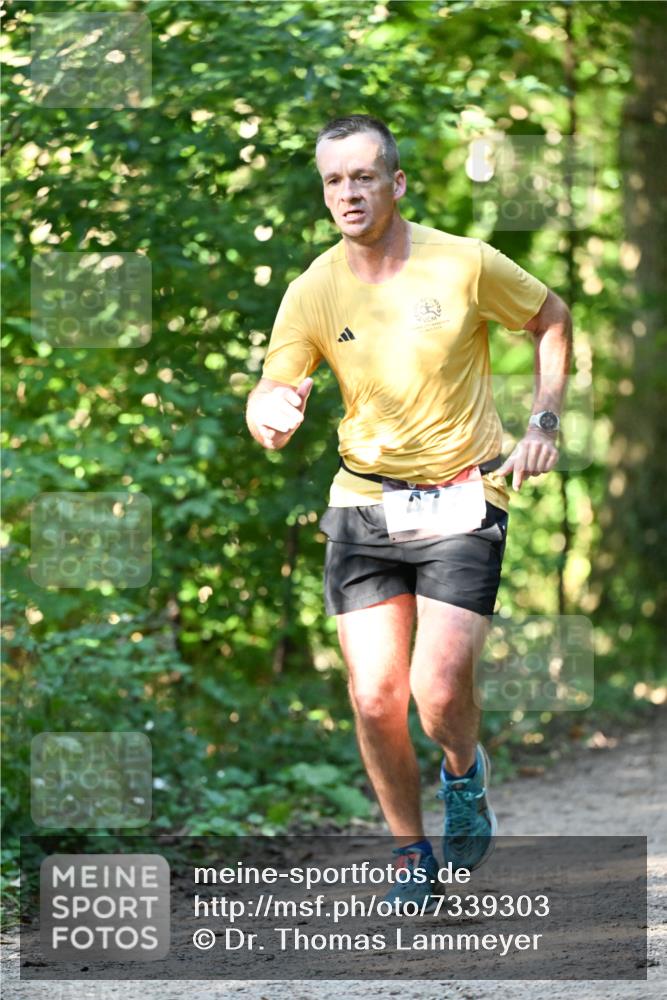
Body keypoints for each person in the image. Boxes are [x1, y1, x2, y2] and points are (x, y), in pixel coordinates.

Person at [246, 114, 572, 908]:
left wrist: (542, 421)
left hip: (464, 493)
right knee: (372, 696)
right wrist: (268, 413)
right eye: (333, 180)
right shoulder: (313, 289)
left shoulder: (462, 264)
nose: (348, 193)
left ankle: (463, 773)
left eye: (362, 177)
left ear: (394, 182)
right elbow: (272, 387)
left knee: (436, 687)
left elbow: (551, 318)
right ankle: (408, 856)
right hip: (363, 501)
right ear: (323, 193)